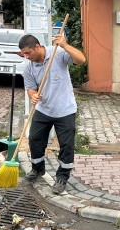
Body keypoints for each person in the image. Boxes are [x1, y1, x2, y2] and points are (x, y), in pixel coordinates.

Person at [19, 33, 86, 194]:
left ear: (37, 46)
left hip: (65, 109)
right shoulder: (29, 66)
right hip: (44, 109)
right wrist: (33, 95)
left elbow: (81, 60)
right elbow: (30, 87)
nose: (26, 57)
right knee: (35, 138)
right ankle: (37, 169)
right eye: (24, 54)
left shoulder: (58, 53)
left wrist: (65, 45)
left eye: (28, 53)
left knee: (66, 145)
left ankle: (62, 177)